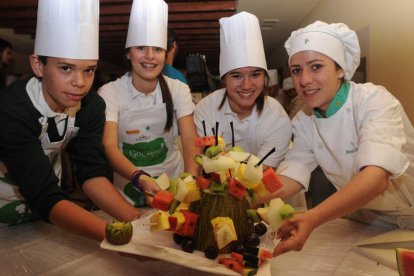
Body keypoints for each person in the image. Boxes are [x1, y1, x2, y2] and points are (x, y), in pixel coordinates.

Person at [260, 21, 414, 256]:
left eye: (316, 66)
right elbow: (293, 176)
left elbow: (376, 178)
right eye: (297, 70)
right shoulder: (303, 120)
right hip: (361, 218)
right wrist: (242, 197)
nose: (304, 80)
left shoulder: (373, 100)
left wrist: (313, 217)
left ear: (340, 69)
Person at [0, 0, 142, 241]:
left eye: (89, 70)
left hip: (49, 212)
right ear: (38, 65)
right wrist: (116, 237)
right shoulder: (11, 108)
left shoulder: (91, 106)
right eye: (66, 68)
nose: (80, 82)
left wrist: (137, 221)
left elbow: (91, 173)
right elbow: (42, 192)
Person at [98, 0, 200, 207]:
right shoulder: (110, 92)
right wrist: (140, 178)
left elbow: (190, 139)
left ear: (165, 54)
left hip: (174, 187)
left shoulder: (178, 89)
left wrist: (190, 181)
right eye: (141, 48)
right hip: (128, 189)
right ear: (128, 53)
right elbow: (109, 145)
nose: (150, 56)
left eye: (157, 49)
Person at [194, 12, 292, 170]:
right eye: (237, 75)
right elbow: (204, 160)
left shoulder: (276, 117)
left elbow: (258, 173)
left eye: (255, 74)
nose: (247, 86)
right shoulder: (206, 109)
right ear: (224, 79)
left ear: (264, 78)